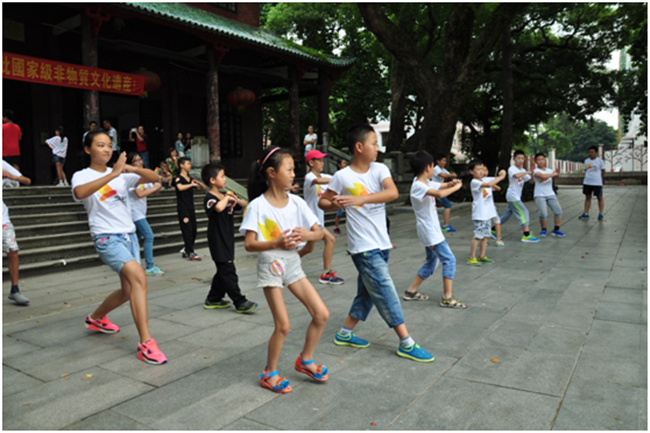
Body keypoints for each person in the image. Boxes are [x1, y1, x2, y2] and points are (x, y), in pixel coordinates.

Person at [319, 124, 434, 363]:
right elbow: (323, 202)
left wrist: (361, 198)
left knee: (367, 293)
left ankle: (345, 333)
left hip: (382, 243)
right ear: (359, 147)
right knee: (384, 289)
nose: (378, 148)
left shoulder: (379, 169)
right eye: (374, 143)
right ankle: (406, 342)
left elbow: (392, 193)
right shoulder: (342, 176)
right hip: (362, 247)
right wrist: (336, 204)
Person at [71, 129, 167, 365]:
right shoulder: (81, 175)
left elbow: (155, 178)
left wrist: (130, 169)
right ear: (87, 149)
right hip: (106, 237)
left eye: (109, 145)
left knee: (127, 291)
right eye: (100, 145)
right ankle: (146, 343)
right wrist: (113, 173)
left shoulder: (123, 176)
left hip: (129, 236)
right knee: (139, 278)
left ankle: (95, 318)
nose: (106, 149)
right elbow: (81, 193)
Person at [240, 146, 329, 393]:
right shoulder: (258, 206)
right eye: (288, 170)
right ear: (271, 172)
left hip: (292, 264)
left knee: (321, 314)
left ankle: (306, 360)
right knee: (283, 326)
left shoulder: (297, 202)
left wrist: (309, 234)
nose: (293, 175)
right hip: (271, 266)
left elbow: (319, 232)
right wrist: (276, 243)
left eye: (293, 170)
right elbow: (249, 244)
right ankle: (270, 373)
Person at [404, 151, 466, 307]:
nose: (434, 169)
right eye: (432, 166)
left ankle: (411, 291)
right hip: (429, 232)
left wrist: (451, 183)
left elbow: (441, 186)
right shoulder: (418, 185)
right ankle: (447, 297)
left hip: (431, 230)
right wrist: (456, 188)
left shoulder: (424, 182)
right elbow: (439, 193)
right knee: (449, 260)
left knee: (432, 263)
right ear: (427, 168)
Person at [201, 162, 257, 313]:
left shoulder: (225, 196)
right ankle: (240, 301)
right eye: (222, 176)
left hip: (227, 238)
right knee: (228, 270)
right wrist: (226, 198)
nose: (225, 179)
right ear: (212, 180)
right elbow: (218, 207)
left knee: (223, 270)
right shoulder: (210, 198)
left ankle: (213, 298)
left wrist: (235, 199)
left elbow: (244, 204)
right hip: (217, 239)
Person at [301, 149, 344, 285]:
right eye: (319, 160)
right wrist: (338, 178)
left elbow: (331, 184)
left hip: (317, 219)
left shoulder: (324, 176)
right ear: (311, 163)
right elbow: (319, 181)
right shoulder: (309, 178)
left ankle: (285, 265)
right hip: (310, 219)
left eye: (322, 160)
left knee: (308, 248)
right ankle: (326, 273)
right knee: (330, 240)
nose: (322, 163)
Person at [126, 152, 164, 276]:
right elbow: (139, 194)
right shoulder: (131, 177)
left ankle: (129, 263)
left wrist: (158, 185)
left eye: (140, 159)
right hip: (134, 212)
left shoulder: (144, 177)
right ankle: (149, 266)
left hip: (141, 211)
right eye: (136, 160)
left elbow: (155, 192)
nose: (140, 162)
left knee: (136, 238)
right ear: (131, 164)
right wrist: (154, 188)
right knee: (149, 235)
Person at [2, 160, 31, 305]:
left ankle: (15, 290)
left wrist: (12, 177)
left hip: (3, 218)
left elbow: (27, 180)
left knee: (13, 251)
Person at [496, 150, 540, 243]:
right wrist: (527, 172)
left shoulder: (523, 170)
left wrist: (532, 174)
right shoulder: (512, 169)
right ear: (514, 159)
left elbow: (530, 181)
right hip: (512, 196)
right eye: (518, 158)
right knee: (524, 212)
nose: (520, 160)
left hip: (516, 196)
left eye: (522, 159)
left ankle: (493, 229)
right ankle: (526, 235)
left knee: (507, 215)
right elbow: (516, 175)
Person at [468, 161, 507, 266]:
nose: (481, 172)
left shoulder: (484, 179)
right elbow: (490, 184)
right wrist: (502, 176)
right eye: (478, 169)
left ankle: (482, 256)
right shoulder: (475, 182)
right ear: (471, 171)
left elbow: (494, 183)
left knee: (485, 236)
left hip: (487, 214)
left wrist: (501, 173)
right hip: (480, 214)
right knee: (477, 236)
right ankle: (472, 257)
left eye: (483, 169)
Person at [173, 156, 205, 261]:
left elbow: (204, 188)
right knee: (187, 230)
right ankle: (190, 252)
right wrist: (191, 185)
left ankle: (187, 249)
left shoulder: (191, 179)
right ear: (181, 165)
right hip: (183, 209)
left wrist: (199, 184)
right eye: (187, 164)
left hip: (191, 208)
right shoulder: (178, 178)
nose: (189, 166)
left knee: (194, 230)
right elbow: (180, 187)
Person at [533, 153, 565, 236]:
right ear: (536, 161)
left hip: (550, 194)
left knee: (558, 211)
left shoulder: (549, 170)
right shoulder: (535, 171)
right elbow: (542, 176)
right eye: (538, 160)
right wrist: (553, 174)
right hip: (539, 195)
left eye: (542, 159)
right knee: (543, 214)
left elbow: (559, 176)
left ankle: (556, 229)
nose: (540, 161)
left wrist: (557, 173)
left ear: (545, 160)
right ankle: (543, 229)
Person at [433, 154, 458, 232]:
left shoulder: (442, 169)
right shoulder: (436, 168)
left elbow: (449, 175)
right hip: (436, 191)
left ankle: (437, 225)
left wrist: (452, 175)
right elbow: (443, 175)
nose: (444, 162)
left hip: (439, 190)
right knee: (447, 205)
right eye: (443, 160)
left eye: (445, 161)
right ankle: (445, 225)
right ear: (438, 161)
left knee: (434, 208)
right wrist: (451, 175)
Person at [579, 146, 606, 221]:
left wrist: (600, 179)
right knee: (587, 197)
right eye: (589, 152)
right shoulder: (586, 161)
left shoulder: (600, 161)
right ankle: (586, 213)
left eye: (592, 152)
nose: (590, 154)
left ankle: (601, 213)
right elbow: (586, 170)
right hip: (587, 182)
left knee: (599, 197)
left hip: (597, 182)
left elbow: (603, 171)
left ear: (596, 153)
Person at [333, 157, 347, 235]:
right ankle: (336, 227)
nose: (345, 165)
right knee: (340, 212)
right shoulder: (338, 175)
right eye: (343, 163)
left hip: (346, 194)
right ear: (339, 165)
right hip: (340, 195)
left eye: (345, 163)